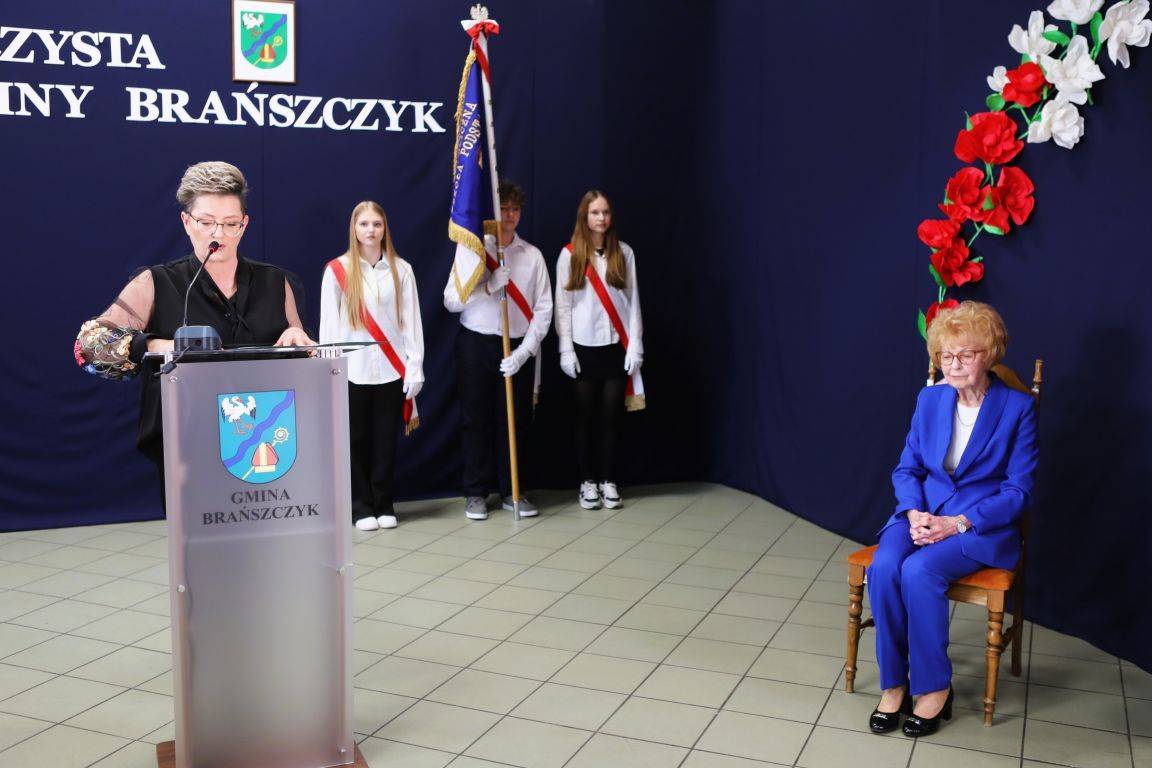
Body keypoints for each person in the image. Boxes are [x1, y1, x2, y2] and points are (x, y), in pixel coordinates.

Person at [74, 161, 315, 501]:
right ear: (187, 222)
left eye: (230, 224)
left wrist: (301, 345)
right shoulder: (157, 282)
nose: (219, 234)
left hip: (265, 445)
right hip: (188, 448)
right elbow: (87, 347)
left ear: (244, 225)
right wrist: (154, 345)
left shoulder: (276, 282)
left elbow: (306, 353)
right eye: (206, 222)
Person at [867, 301, 1038, 737]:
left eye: (966, 354)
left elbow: (1018, 492)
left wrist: (957, 522)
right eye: (945, 355)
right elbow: (907, 469)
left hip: (979, 527)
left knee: (919, 570)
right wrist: (913, 512)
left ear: (989, 354)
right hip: (922, 513)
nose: (954, 364)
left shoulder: (1018, 408)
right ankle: (894, 684)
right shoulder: (929, 398)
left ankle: (934, 688)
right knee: (885, 566)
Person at [443, 179, 552, 520]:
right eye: (503, 208)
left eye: (515, 209)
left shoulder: (532, 255)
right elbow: (450, 301)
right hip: (476, 344)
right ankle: (476, 492)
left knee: (514, 422)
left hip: (516, 346)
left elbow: (544, 309)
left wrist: (525, 352)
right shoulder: (473, 251)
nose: (509, 215)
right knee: (475, 420)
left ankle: (512, 491)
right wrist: (487, 287)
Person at [320, 202, 424, 532]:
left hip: (391, 370)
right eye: (364, 223)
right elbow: (329, 327)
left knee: (385, 442)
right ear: (354, 228)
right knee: (355, 441)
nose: (370, 230)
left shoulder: (402, 269)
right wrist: (329, 369)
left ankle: (383, 503)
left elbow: (411, 322)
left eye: (376, 224)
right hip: (352, 371)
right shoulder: (337, 270)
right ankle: (360, 505)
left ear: (384, 229)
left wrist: (415, 366)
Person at [554, 190, 644, 511]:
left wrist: (636, 346)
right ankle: (587, 481)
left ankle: (608, 480)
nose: (601, 218)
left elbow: (633, 303)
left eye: (605, 212)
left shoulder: (624, 252)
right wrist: (566, 349)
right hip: (583, 346)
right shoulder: (569, 255)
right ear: (584, 216)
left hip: (616, 346)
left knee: (611, 416)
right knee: (584, 416)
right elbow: (563, 307)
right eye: (595, 212)